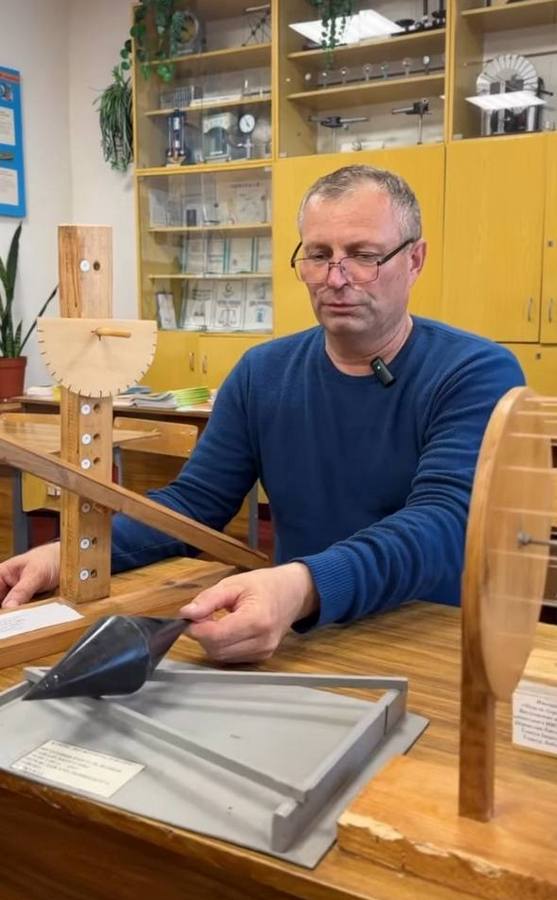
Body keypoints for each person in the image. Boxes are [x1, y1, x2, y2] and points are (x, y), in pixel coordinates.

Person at [0, 165, 524, 662]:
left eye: (363, 255)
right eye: (318, 254)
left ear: (415, 260)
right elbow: (193, 504)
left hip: (427, 636)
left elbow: (443, 523)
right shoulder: (262, 373)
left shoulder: (476, 372)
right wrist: (74, 552)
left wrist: (302, 586)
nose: (336, 278)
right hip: (299, 635)